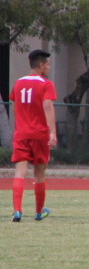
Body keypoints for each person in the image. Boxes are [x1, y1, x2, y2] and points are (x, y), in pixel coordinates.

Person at [9, 49, 57, 222]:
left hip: (21, 133)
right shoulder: (45, 84)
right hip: (39, 134)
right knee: (39, 174)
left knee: (19, 173)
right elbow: (48, 107)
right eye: (48, 64)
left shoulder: (18, 83)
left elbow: (14, 107)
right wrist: (52, 131)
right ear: (41, 65)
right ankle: (38, 212)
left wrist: (20, 125)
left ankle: (17, 211)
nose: (49, 68)